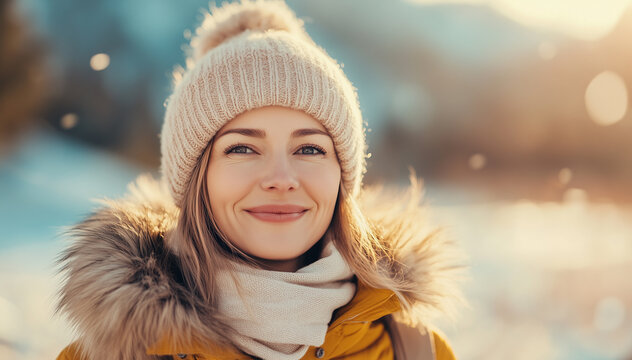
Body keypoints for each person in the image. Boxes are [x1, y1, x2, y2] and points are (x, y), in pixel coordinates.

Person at [55, 0, 465, 359]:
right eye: (242, 149)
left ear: (342, 177)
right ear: (198, 178)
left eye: (309, 149)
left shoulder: (416, 352)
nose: (281, 178)